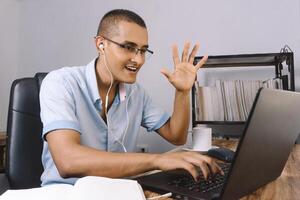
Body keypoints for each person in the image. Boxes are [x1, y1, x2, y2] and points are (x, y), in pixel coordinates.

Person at [40, 9, 223, 186]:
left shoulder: (137, 94)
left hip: (118, 192)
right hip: (65, 193)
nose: (139, 59)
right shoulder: (61, 83)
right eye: (129, 47)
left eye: (143, 50)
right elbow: (68, 161)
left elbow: (176, 136)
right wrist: (158, 160)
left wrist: (183, 91)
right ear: (100, 44)